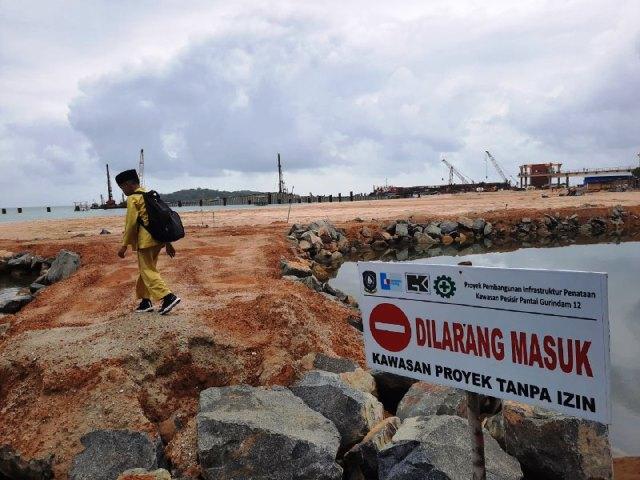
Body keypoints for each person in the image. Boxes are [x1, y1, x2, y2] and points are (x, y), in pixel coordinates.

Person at [115, 169, 181, 315]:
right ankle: (145, 301)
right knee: (146, 269)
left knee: (147, 270)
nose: (123, 191)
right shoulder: (149, 195)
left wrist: (124, 246)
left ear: (128, 184)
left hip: (145, 242)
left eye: (122, 188)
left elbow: (131, 224)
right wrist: (168, 243)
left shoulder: (133, 198)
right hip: (158, 240)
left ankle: (168, 297)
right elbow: (161, 220)